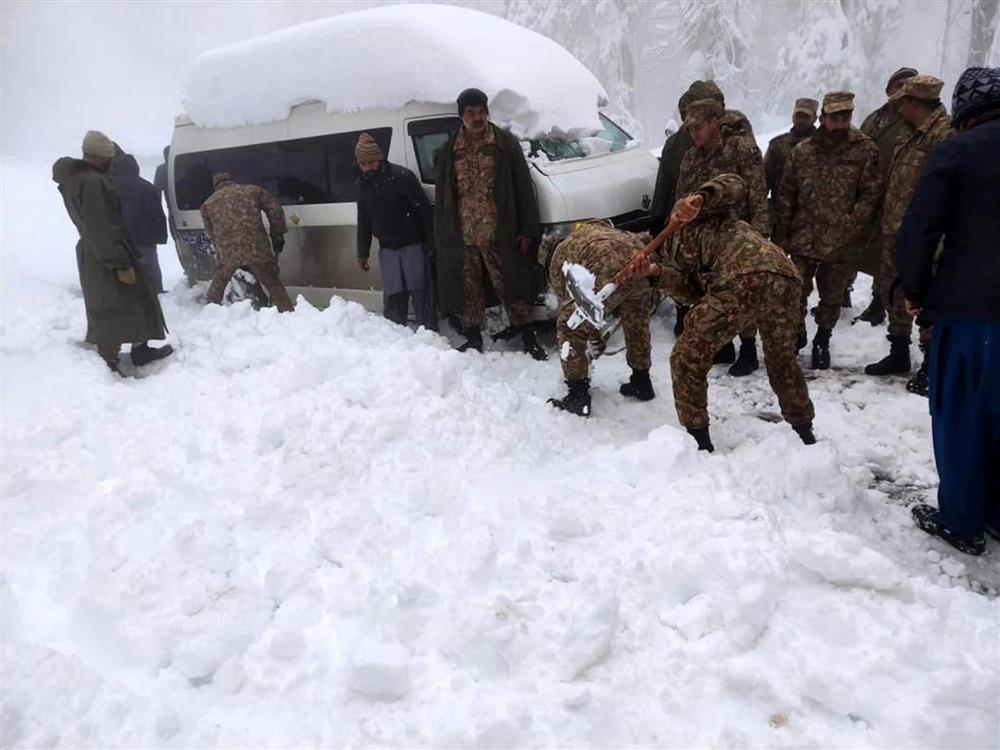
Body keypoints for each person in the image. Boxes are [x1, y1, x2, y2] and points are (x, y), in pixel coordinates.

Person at [620, 174, 816, 452]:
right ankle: (805, 434)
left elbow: (735, 184)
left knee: (686, 359)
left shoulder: (687, 217)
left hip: (746, 275)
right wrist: (655, 273)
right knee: (781, 360)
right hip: (782, 276)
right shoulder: (666, 256)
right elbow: (693, 293)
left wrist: (700, 197)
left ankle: (699, 445)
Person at [897, 66, 1000, 556]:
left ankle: (963, 520)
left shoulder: (956, 152)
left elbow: (919, 232)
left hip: (971, 311)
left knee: (962, 416)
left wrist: (916, 290)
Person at [433, 87, 546, 360]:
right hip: (465, 237)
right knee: (468, 291)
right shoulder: (449, 150)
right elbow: (443, 198)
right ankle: (473, 338)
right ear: (461, 115)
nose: (477, 117)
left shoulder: (504, 145)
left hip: (500, 234)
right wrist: (443, 236)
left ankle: (528, 336)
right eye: (471, 112)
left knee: (512, 287)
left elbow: (523, 191)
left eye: (481, 111)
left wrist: (527, 230)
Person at [52, 130, 172, 372]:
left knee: (123, 301)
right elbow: (101, 226)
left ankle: (136, 349)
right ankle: (110, 359)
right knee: (114, 304)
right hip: (106, 254)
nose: (112, 161)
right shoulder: (93, 182)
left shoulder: (78, 179)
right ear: (99, 156)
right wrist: (120, 262)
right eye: (109, 156)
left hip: (98, 251)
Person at [776, 91, 881, 369]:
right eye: (834, 118)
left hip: (841, 240)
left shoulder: (864, 150)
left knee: (832, 295)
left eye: (844, 117)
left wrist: (852, 226)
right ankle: (796, 331)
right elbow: (786, 194)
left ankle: (822, 338)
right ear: (823, 118)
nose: (839, 123)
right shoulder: (803, 151)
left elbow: (870, 194)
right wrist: (783, 234)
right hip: (804, 237)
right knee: (794, 290)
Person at [865, 74, 952, 392]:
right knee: (894, 290)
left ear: (915, 103)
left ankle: (931, 363)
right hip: (895, 231)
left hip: (928, 236)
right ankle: (898, 351)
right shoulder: (908, 135)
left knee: (927, 294)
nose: (897, 109)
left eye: (902, 103)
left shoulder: (945, 136)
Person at [675, 97, 769, 376]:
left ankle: (749, 349)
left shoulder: (740, 149)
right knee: (713, 291)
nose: (695, 135)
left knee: (743, 292)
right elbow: (682, 196)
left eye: (699, 128)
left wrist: (761, 235)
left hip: (741, 237)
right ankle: (724, 344)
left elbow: (757, 192)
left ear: (715, 122)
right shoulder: (691, 157)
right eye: (690, 130)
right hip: (705, 241)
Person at [546, 222, 654, 417]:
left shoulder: (559, 257)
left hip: (609, 266)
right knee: (636, 321)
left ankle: (577, 396)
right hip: (639, 259)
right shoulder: (588, 231)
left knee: (569, 326)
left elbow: (572, 308)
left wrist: (588, 335)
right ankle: (641, 381)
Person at [853, 67, 919, 325]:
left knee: (891, 255)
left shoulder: (915, 119)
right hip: (871, 194)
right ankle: (852, 294)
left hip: (902, 198)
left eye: (908, 84)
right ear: (889, 89)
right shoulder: (874, 119)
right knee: (868, 248)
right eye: (898, 84)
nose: (902, 88)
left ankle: (882, 302)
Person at [355, 133, 437, 330]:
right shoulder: (361, 185)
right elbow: (363, 219)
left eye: (371, 162)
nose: (368, 168)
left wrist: (432, 244)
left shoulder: (403, 177)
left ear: (380, 158)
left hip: (413, 245)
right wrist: (362, 252)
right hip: (387, 249)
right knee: (394, 296)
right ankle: (396, 336)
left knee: (420, 293)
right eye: (363, 164)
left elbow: (424, 210)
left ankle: (429, 334)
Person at [200, 173, 293, 312]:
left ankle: (209, 312)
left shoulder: (207, 204)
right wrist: (277, 234)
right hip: (256, 248)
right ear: (231, 180)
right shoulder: (253, 191)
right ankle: (288, 313)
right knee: (273, 284)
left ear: (216, 185)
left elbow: (211, 233)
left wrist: (223, 249)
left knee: (218, 285)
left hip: (228, 253)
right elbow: (275, 208)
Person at [112, 152, 168, 294]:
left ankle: (131, 296)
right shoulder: (147, 187)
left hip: (120, 241)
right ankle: (156, 294)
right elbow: (157, 215)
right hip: (145, 239)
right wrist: (161, 237)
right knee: (150, 269)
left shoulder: (110, 187)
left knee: (126, 271)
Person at [764, 97, 818, 238]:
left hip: (813, 223)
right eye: (798, 115)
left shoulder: (825, 146)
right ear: (793, 116)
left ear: (815, 118)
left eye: (806, 116)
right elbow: (764, 182)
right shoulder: (777, 145)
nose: (801, 120)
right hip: (781, 220)